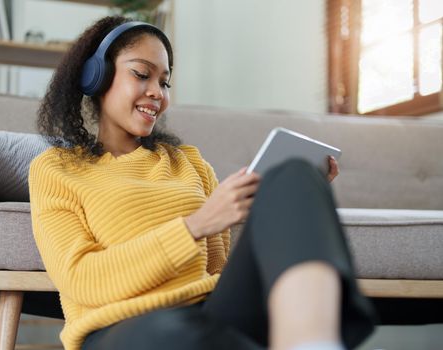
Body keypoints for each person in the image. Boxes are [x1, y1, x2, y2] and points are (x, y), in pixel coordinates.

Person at [29, 15, 375, 350]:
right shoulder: (56, 170)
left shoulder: (188, 162)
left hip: (208, 314)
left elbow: (217, 271)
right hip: (121, 327)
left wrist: (278, 206)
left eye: (164, 83)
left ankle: (311, 342)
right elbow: (80, 279)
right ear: (98, 77)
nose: (157, 93)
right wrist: (195, 225)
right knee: (174, 331)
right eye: (141, 74)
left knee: (294, 173)